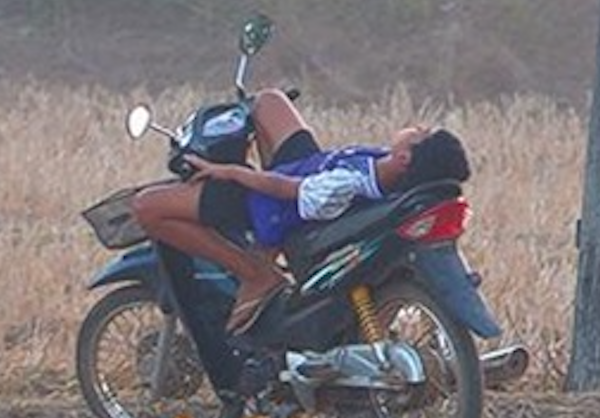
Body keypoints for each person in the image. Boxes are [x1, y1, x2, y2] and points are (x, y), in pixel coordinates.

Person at [129, 88, 473, 336]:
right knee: (269, 101)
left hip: (269, 204)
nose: (418, 128)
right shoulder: (388, 167)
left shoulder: (344, 184)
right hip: (304, 168)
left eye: (421, 135)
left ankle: (254, 273)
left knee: (147, 207)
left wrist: (229, 172)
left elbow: (282, 190)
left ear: (405, 159)